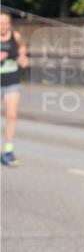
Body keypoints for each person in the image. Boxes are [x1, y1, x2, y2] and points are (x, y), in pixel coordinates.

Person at [1, 11, 28, 167]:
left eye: (5, 23)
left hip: (12, 81)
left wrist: (22, 58)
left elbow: (22, 48)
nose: (3, 26)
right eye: (0, 23)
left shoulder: (15, 36)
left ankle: (8, 151)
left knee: (11, 115)